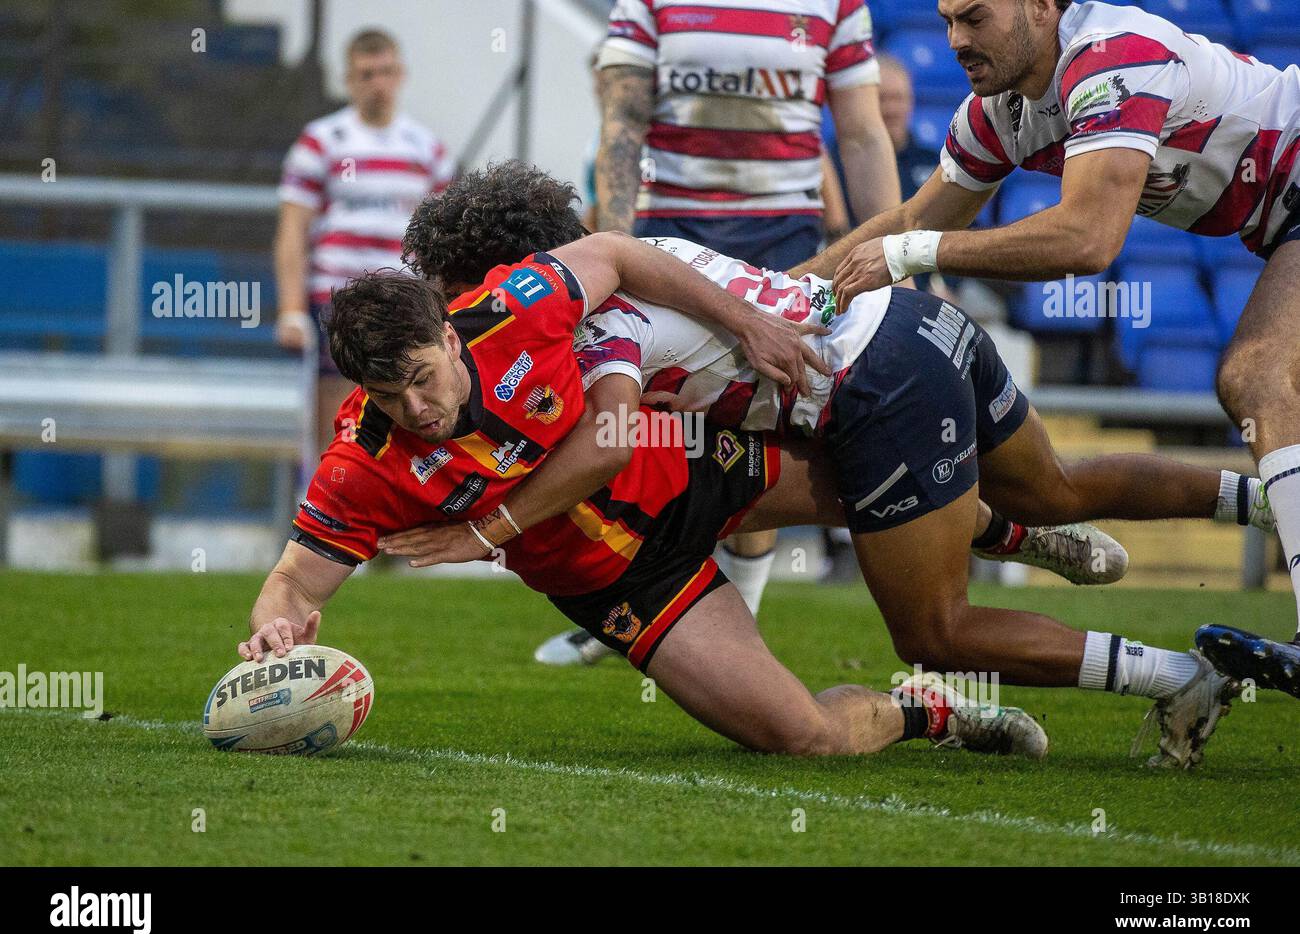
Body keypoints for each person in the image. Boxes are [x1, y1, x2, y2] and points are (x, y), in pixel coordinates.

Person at [391, 162, 1283, 768]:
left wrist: (490, 525)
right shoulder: (626, 263)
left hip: (871, 392)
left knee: (934, 633)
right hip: (911, 324)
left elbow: (611, 437)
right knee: (1059, 485)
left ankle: (1179, 677)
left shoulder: (587, 327)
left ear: (501, 274)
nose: (463, 313)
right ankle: (1272, 500)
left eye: (462, 290)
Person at [243, 231, 1049, 760]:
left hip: (683, 467)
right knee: (802, 740)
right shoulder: (360, 463)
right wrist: (276, 629)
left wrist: (745, 321)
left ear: (450, 335)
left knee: (885, 489)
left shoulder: (513, 308)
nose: (416, 409)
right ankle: (927, 711)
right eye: (389, 398)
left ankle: (1009, 531)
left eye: (422, 378)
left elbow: (621, 254)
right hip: (625, 584)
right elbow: (292, 581)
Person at [788, 0, 1300, 694]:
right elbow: (908, 216)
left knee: (1258, 377)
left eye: (973, 18)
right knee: (1257, 380)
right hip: (1283, 220)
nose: (955, 41)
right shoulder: (1000, 110)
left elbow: (1087, 240)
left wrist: (910, 253)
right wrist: (769, 298)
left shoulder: (1112, 56)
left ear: (1040, 6)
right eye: (945, 21)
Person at [564, 0, 905, 648]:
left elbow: (862, 135)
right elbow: (623, 124)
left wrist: (900, 254)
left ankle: (734, 620)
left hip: (784, 238)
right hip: (674, 234)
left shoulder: (838, 5)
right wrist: (614, 249)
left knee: (760, 424)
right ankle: (635, 599)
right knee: (651, 426)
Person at [273, 29, 456, 458]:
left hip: (404, 299)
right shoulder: (321, 140)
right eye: (367, 74)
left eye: (387, 72)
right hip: (336, 298)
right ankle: (325, 502)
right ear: (349, 80)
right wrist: (290, 310)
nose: (378, 83)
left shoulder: (427, 148)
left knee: (411, 399)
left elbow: (443, 242)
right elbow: (292, 230)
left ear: (402, 74)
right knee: (337, 413)